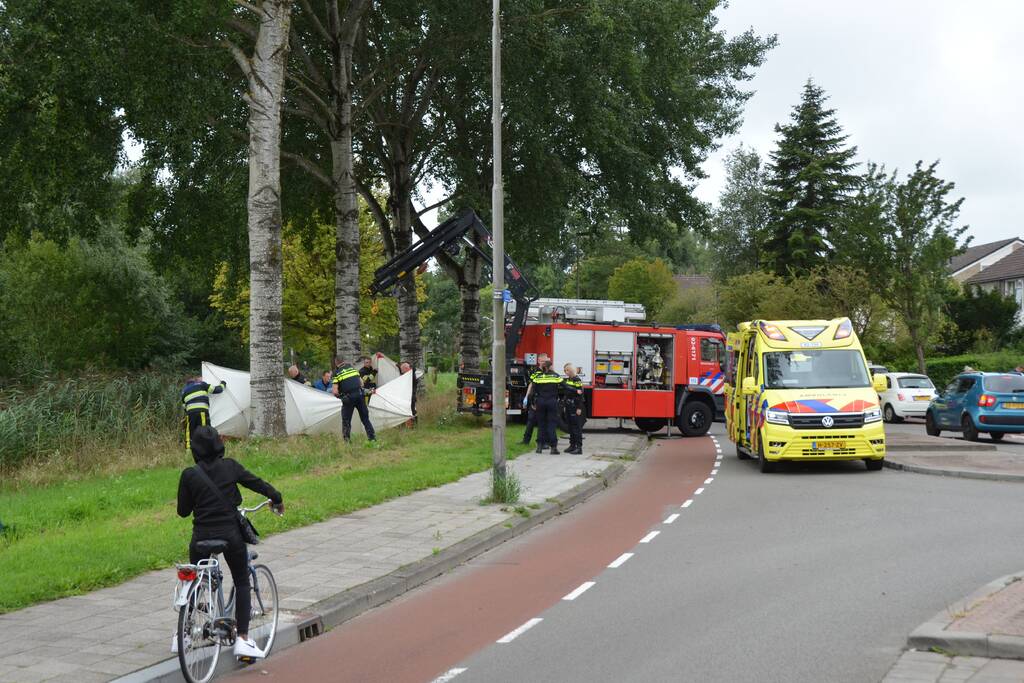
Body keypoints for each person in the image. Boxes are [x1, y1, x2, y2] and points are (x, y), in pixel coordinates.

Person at [176, 426, 284, 660]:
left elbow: (183, 512)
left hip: (200, 538)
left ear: (194, 450)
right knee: (242, 581)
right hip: (230, 535)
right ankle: (243, 640)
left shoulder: (189, 474)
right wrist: (276, 497)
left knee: (196, 578)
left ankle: (183, 634)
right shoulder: (231, 467)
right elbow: (257, 483)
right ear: (219, 445)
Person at [333, 358, 376, 442]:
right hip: (360, 395)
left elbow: (335, 391)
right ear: (344, 362)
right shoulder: (353, 369)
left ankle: (347, 442)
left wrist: (341, 396)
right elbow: (362, 384)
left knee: (346, 421)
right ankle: (372, 439)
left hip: (348, 398)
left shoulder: (337, 373)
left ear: (336, 364)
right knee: (365, 419)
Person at [181, 376, 227, 450]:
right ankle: (206, 449)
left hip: (190, 414)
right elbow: (217, 390)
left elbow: (184, 407)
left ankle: (189, 451)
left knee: (190, 432)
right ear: (195, 380)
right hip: (202, 411)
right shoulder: (202, 384)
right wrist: (223, 383)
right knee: (204, 430)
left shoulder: (184, 391)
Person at [531, 359, 563, 454]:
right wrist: (575, 390)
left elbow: (533, 390)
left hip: (540, 402)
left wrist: (533, 403)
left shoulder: (538, 376)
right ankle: (553, 447)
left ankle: (539, 447)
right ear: (550, 367)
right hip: (552, 402)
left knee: (541, 424)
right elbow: (564, 386)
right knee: (551, 424)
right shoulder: (555, 376)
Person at [520, 354, 550, 446]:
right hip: (535, 398)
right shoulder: (535, 371)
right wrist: (526, 397)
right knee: (531, 420)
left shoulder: (549, 371)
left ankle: (544, 442)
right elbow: (531, 384)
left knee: (543, 422)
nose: (543, 362)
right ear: (538, 361)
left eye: (545, 361)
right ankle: (526, 440)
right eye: (541, 361)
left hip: (545, 399)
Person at [561, 363, 586, 454]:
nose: (565, 372)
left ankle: (579, 448)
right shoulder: (568, 380)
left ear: (571, 370)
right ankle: (572, 445)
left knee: (576, 428)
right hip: (568, 405)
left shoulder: (577, 380)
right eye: (565, 370)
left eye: (566, 370)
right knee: (570, 427)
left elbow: (580, 395)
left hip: (575, 406)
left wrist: (579, 408)